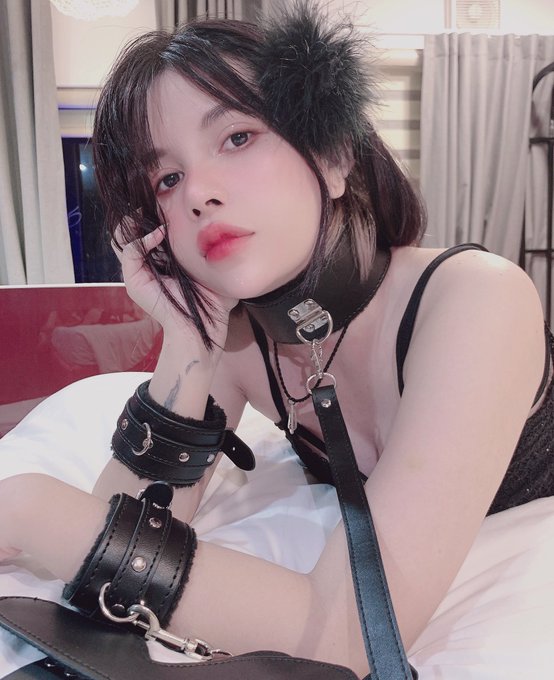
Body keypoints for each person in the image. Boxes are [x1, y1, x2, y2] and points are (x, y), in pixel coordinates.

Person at [0, 3, 552, 677]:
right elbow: (127, 522)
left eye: (236, 138)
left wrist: (28, 510)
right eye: (167, 178)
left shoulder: (475, 298)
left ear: (332, 155)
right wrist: (188, 340)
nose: (199, 192)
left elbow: (347, 635)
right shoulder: (239, 343)